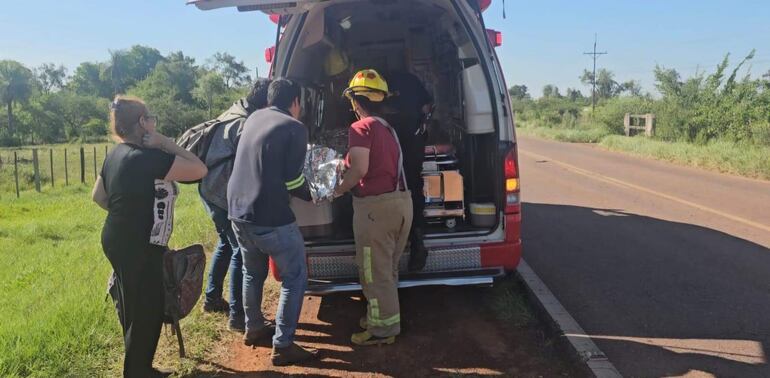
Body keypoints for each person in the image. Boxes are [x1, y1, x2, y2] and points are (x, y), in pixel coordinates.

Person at [92, 96, 207, 377]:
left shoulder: (115, 154)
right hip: (138, 243)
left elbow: (98, 196)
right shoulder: (148, 158)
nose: (153, 121)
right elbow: (199, 168)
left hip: (116, 238)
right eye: (150, 117)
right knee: (148, 307)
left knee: (137, 304)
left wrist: (127, 212)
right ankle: (138, 372)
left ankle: (139, 367)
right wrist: (164, 141)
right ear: (142, 122)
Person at [228, 79, 318, 366]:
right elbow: (293, 180)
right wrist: (315, 194)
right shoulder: (294, 127)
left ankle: (253, 328)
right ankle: (284, 344)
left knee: (252, 273)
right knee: (295, 276)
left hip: (238, 212)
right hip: (271, 218)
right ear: (295, 103)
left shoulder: (254, 118)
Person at [334, 69, 413, 346]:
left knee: (373, 272)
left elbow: (359, 170)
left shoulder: (361, 127)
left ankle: (382, 330)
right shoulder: (387, 127)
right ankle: (381, 318)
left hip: (375, 210)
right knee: (386, 270)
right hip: (401, 204)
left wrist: (337, 190)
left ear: (355, 101)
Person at [200, 79, 271, 334]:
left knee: (225, 243)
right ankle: (238, 317)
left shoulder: (234, 111)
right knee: (241, 252)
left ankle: (211, 298)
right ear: (266, 102)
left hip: (209, 190)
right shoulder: (246, 124)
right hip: (222, 194)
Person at [384, 71, 433, 272]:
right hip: (413, 141)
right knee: (413, 187)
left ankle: (392, 244)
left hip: (388, 142)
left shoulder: (381, 84)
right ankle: (417, 240)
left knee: (388, 189)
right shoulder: (413, 80)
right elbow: (427, 106)